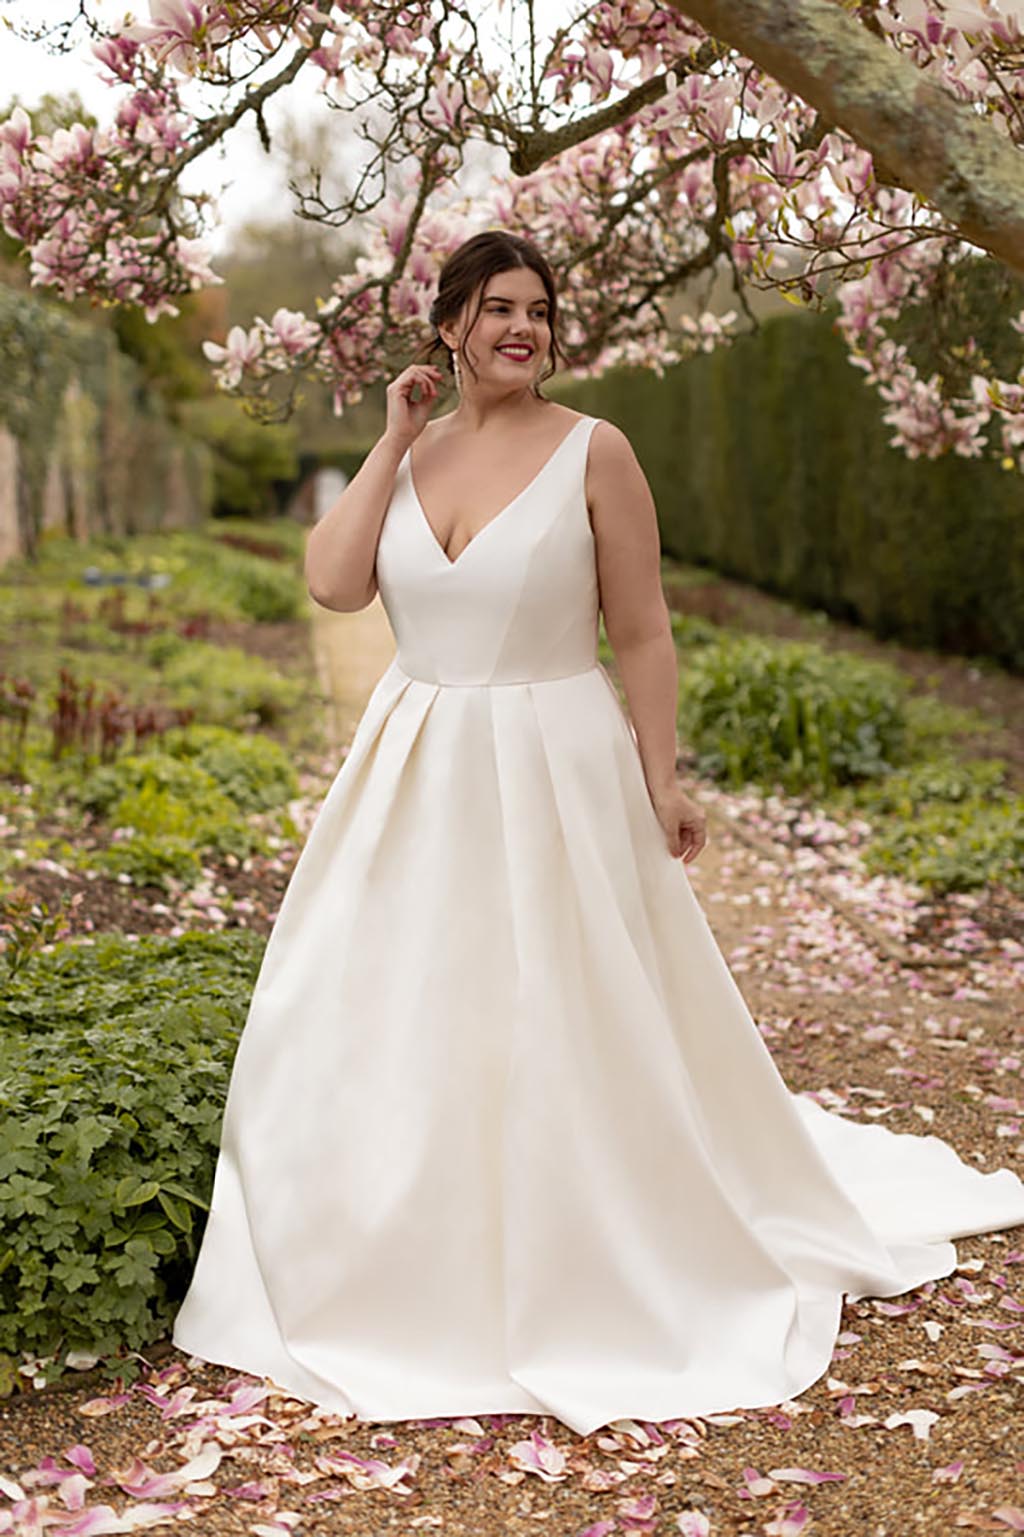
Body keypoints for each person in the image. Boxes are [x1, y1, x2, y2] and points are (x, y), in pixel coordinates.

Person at [172, 230, 1024, 1439]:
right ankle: (400, 1236)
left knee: (563, 1007)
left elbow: (642, 631)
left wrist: (659, 776)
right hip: (415, 766)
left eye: (538, 310)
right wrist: (389, 436)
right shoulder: (411, 454)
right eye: (497, 309)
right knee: (388, 1004)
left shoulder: (596, 449)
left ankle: (586, 1237)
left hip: (556, 761)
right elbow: (331, 584)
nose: (522, 328)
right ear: (450, 325)